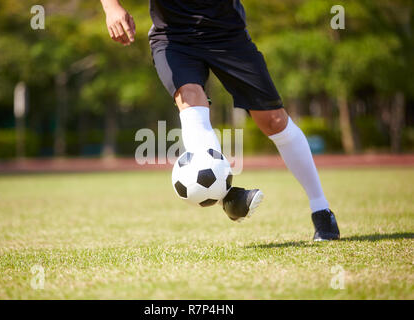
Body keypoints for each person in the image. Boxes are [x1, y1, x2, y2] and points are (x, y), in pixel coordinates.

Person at [99, 0, 340, 241]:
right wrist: (111, 7)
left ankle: (321, 209)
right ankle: (228, 197)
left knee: (274, 120)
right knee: (189, 97)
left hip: (227, 34)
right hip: (173, 37)